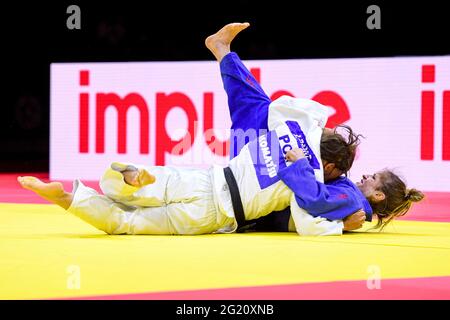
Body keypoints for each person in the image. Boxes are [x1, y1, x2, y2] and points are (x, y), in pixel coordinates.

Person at [206, 22, 424, 232]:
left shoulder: (353, 204)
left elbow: (313, 202)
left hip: (249, 199)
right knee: (259, 109)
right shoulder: (348, 192)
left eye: (374, 178)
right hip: (253, 182)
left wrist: (340, 225)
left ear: (379, 196)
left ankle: (222, 50)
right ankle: (222, 50)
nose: (366, 175)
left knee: (258, 110)